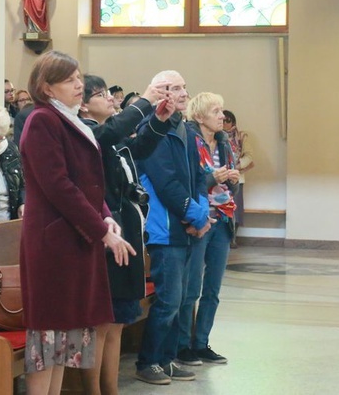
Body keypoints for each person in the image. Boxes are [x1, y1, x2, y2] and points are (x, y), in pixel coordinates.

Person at [19, 51, 134, 394]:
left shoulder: (69, 119)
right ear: (47, 87)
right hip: (54, 244)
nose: (79, 84)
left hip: (75, 241)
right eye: (70, 79)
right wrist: (101, 231)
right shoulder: (42, 120)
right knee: (48, 336)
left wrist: (107, 218)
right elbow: (58, 185)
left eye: (79, 77)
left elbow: (86, 183)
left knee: (65, 337)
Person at [77, 74, 174, 395]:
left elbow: (138, 146)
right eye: (101, 94)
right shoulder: (88, 132)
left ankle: (111, 387)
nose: (110, 99)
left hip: (127, 233)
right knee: (101, 322)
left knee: (117, 320)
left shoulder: (111, 137)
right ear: (83, 103)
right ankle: (94, 390)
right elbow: (110, 134)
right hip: (105, 236)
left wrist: (158, 120)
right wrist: (144, 102)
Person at [134, 70, 213, 386]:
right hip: (164, 228)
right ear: (161, 93)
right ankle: (148, 362)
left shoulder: (186, 130)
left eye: (184, 87)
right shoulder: (152, 131)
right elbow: (166, 183)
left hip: (186, 225)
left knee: (180, 300)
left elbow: (198, 177)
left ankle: (166, 359)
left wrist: (202, 213)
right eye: (175, 88)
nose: (183, 93)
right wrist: (194, 216)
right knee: (168, 300)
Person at [177, 92, 240, 368]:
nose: (222, 116)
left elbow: (229, 185)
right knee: (191, 288)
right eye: (216, 111)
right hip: (200, 222)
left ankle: (201, 343)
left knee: (212, 289)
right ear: (200, 116)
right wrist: (212, 177)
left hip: (223, 221)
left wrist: (233, 180)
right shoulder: (189, 141)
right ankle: (182, 345)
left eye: (222, 110)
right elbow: (188, 181)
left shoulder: (224, 144)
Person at [223, 110, 254, 248]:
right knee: (221, 206)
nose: (225, 123)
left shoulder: (241, 136)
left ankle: (233, 237)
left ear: (233, 122)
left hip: (237, 176)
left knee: (236, 208)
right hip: (219, 176)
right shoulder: (214, 135)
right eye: (223, 120)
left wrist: (237, 164)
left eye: (228, 121)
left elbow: (249, 155)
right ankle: (223, 236)